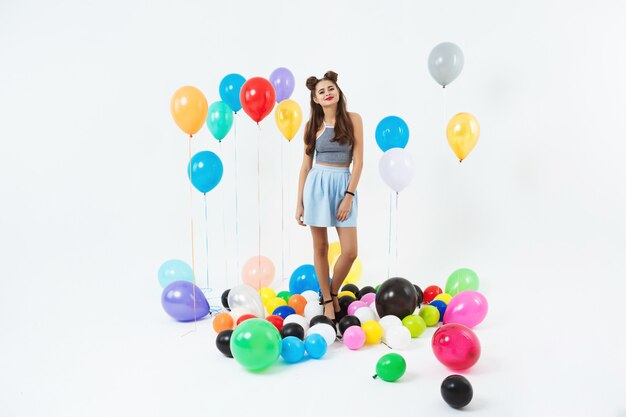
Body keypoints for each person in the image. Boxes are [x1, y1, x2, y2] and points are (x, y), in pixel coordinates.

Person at [295, 71, 363, 322]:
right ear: (315, 99)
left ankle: (332, 292)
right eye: (321, 91)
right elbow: (305, 166)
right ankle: (326, 300)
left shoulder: (354, 120)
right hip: (317, 186)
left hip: (343, 182)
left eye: (330, 88)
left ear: (338, 91)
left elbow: (359, 161)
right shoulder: (312, 126)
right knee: (320, 247)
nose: (327, 93)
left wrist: (349, 195)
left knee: (350, 251)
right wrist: (299, 202)